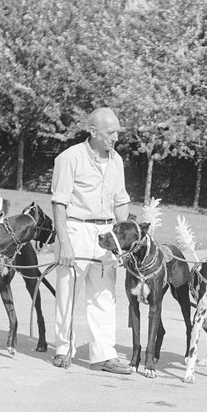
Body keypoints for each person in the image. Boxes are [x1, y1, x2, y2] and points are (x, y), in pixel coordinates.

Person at [49, 107, 133, 374]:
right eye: (110, 133)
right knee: (67, 293)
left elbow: (120, 202)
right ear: (93, 131)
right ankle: (64, 348)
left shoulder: (117, 161)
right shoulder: (69, 158)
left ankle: (103, 354)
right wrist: (64, 243)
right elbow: (59, 203)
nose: (115, 138)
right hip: (75, 229)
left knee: (105, 294)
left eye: (118, 132)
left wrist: (127, 239)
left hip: (107, 234)